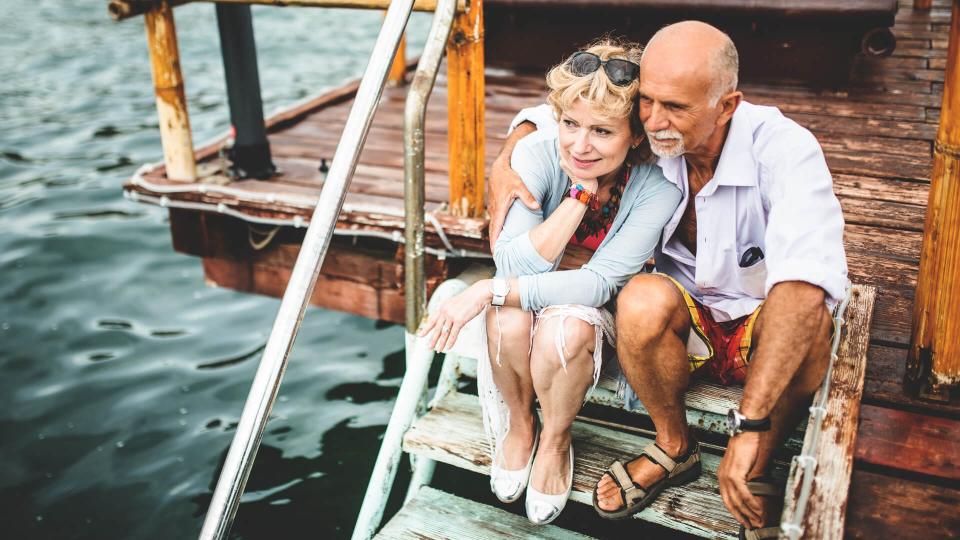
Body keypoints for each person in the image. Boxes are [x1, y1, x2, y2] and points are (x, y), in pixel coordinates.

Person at [488, 21, 848, 539]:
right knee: (638, 298)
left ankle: (760, 463)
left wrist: (747, 428)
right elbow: (565, 113)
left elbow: (804, 287)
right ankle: (675, 446)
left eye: (675, 107)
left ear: (728, 105)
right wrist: (508, 155)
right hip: (690, 316)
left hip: (761, 315)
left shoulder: (787, 151)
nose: (656, 121)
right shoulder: (652, 135)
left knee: (809, 318)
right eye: (648, 102)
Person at [418, 39, 681, 525]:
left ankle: (557, 438)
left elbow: (599, 284)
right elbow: (513, 265)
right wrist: (578, 195)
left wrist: (486, 288)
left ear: (636, 137)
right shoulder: (536, 153)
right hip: (538, 289)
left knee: (562, 327)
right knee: (508, 318)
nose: (580, 145)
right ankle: (521, 424)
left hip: (589, 313)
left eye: (602, 131)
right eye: (570, 124)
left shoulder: (658, 190)